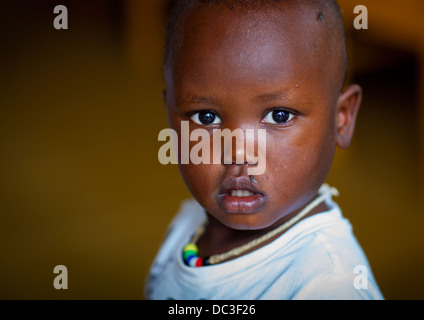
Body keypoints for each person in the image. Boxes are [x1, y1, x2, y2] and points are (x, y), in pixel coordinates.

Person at [145, 0, 384, 299]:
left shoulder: (329, 286)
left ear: (342, 119)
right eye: (206, 117)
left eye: (279, 116)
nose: (240, 153)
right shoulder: (188, 224)